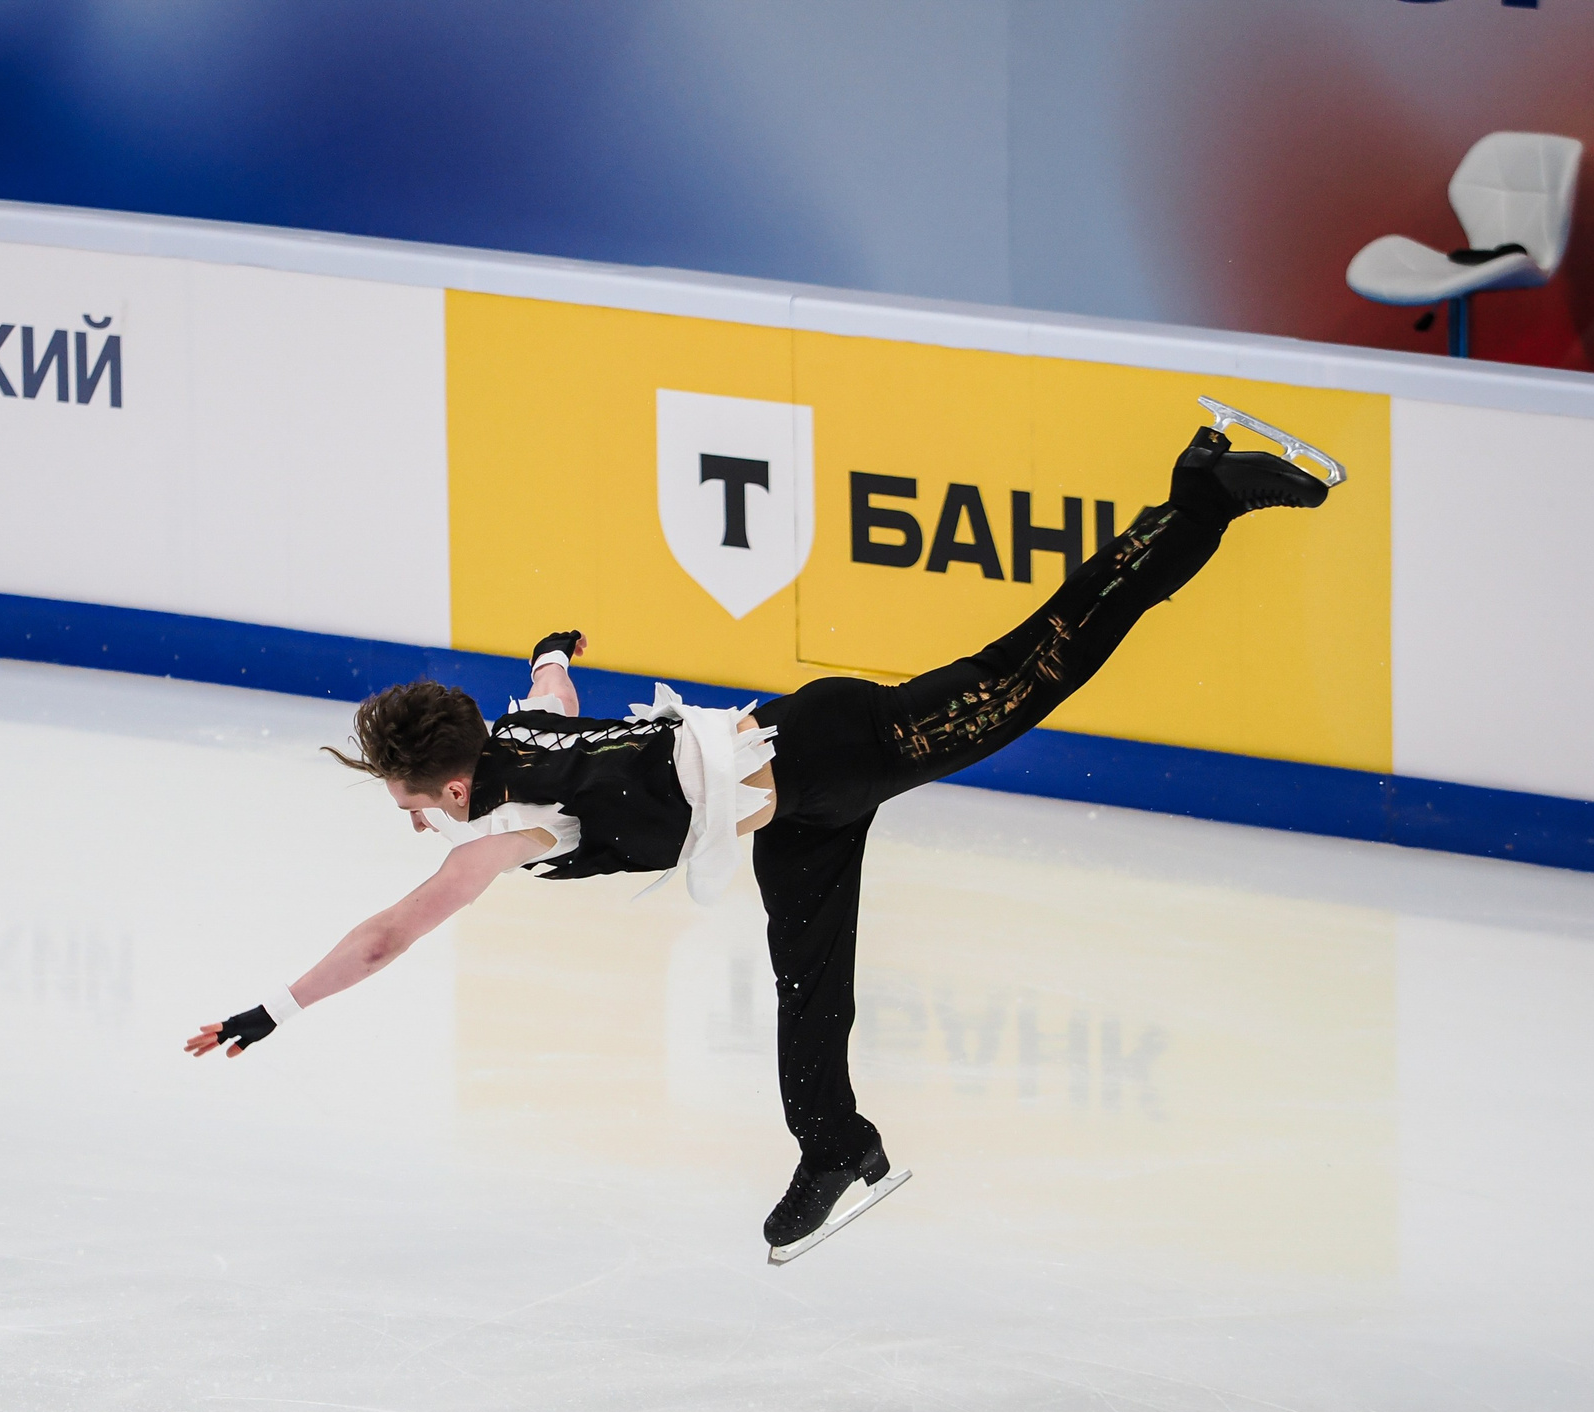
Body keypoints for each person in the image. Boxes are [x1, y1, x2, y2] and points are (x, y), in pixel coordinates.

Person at [187, 410, 1336, 1258]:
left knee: (1046, 655)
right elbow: (548, 685)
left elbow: (392, 935)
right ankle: (835, 1149)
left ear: (441, 785)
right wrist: (554, 647)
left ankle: (1201, 496)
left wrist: (270, 1011)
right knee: (807, 988)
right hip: (799, 814)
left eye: (403, 796)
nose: (405, 816)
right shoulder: (522, 726)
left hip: (838, 748)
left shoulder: (501, 833)